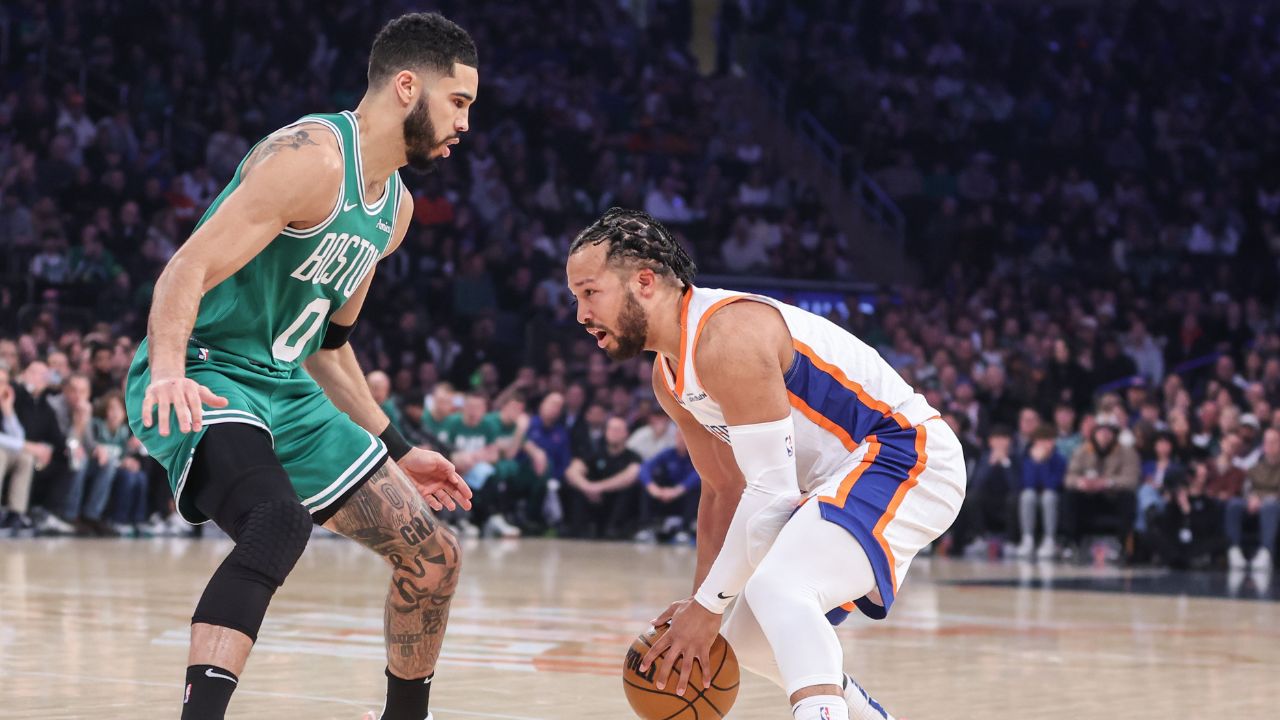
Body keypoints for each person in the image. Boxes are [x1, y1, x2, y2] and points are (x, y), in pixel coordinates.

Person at [122, 13, 477, 720]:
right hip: (207, 366)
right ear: (408, 86)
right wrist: (167, 371)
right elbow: (186, 266)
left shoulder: (395, 209)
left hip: (290, 387)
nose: (467, 121)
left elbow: (329, 346)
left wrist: (399, 448)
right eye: (460, 100)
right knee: (278, 522)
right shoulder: (310, 157)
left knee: (434, 559)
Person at [566, 209, 966, 720]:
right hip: (838, 481)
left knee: (781, 588)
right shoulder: (668, 378)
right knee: (752, 640)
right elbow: (722, 491)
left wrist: (709, 607)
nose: (580, 313)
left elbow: (771, 494)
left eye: (589, 292)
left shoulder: (726, 334)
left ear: (644, 281)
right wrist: (699, 608)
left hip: (904, 453)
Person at [1226, 427, 1280, 571]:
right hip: (1254, 503)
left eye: (1274, 442)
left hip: (1274, 506)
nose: (1270, 445)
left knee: (1270, 506)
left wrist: (1261, 499)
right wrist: (1250, 498)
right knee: (1234, 504)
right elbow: (1247, 488)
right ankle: (1234, 549)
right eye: (1267, 442)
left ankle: (1266, 552)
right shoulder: (1255, 468)